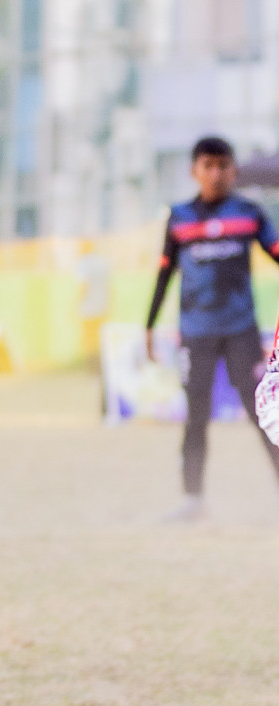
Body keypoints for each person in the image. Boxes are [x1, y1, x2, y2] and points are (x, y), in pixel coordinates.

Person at [146, 135, 279, 521]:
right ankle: (193, 499)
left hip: (240, 332)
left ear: (234, 170)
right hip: (195, 333)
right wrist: (148, 327)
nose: (216, 174)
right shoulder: (180, 218)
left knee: (265, 413)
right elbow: (163, 274)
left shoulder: (249, 214)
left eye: (223, 166)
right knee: (195, 414)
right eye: (208, 166)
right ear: (194, 171)